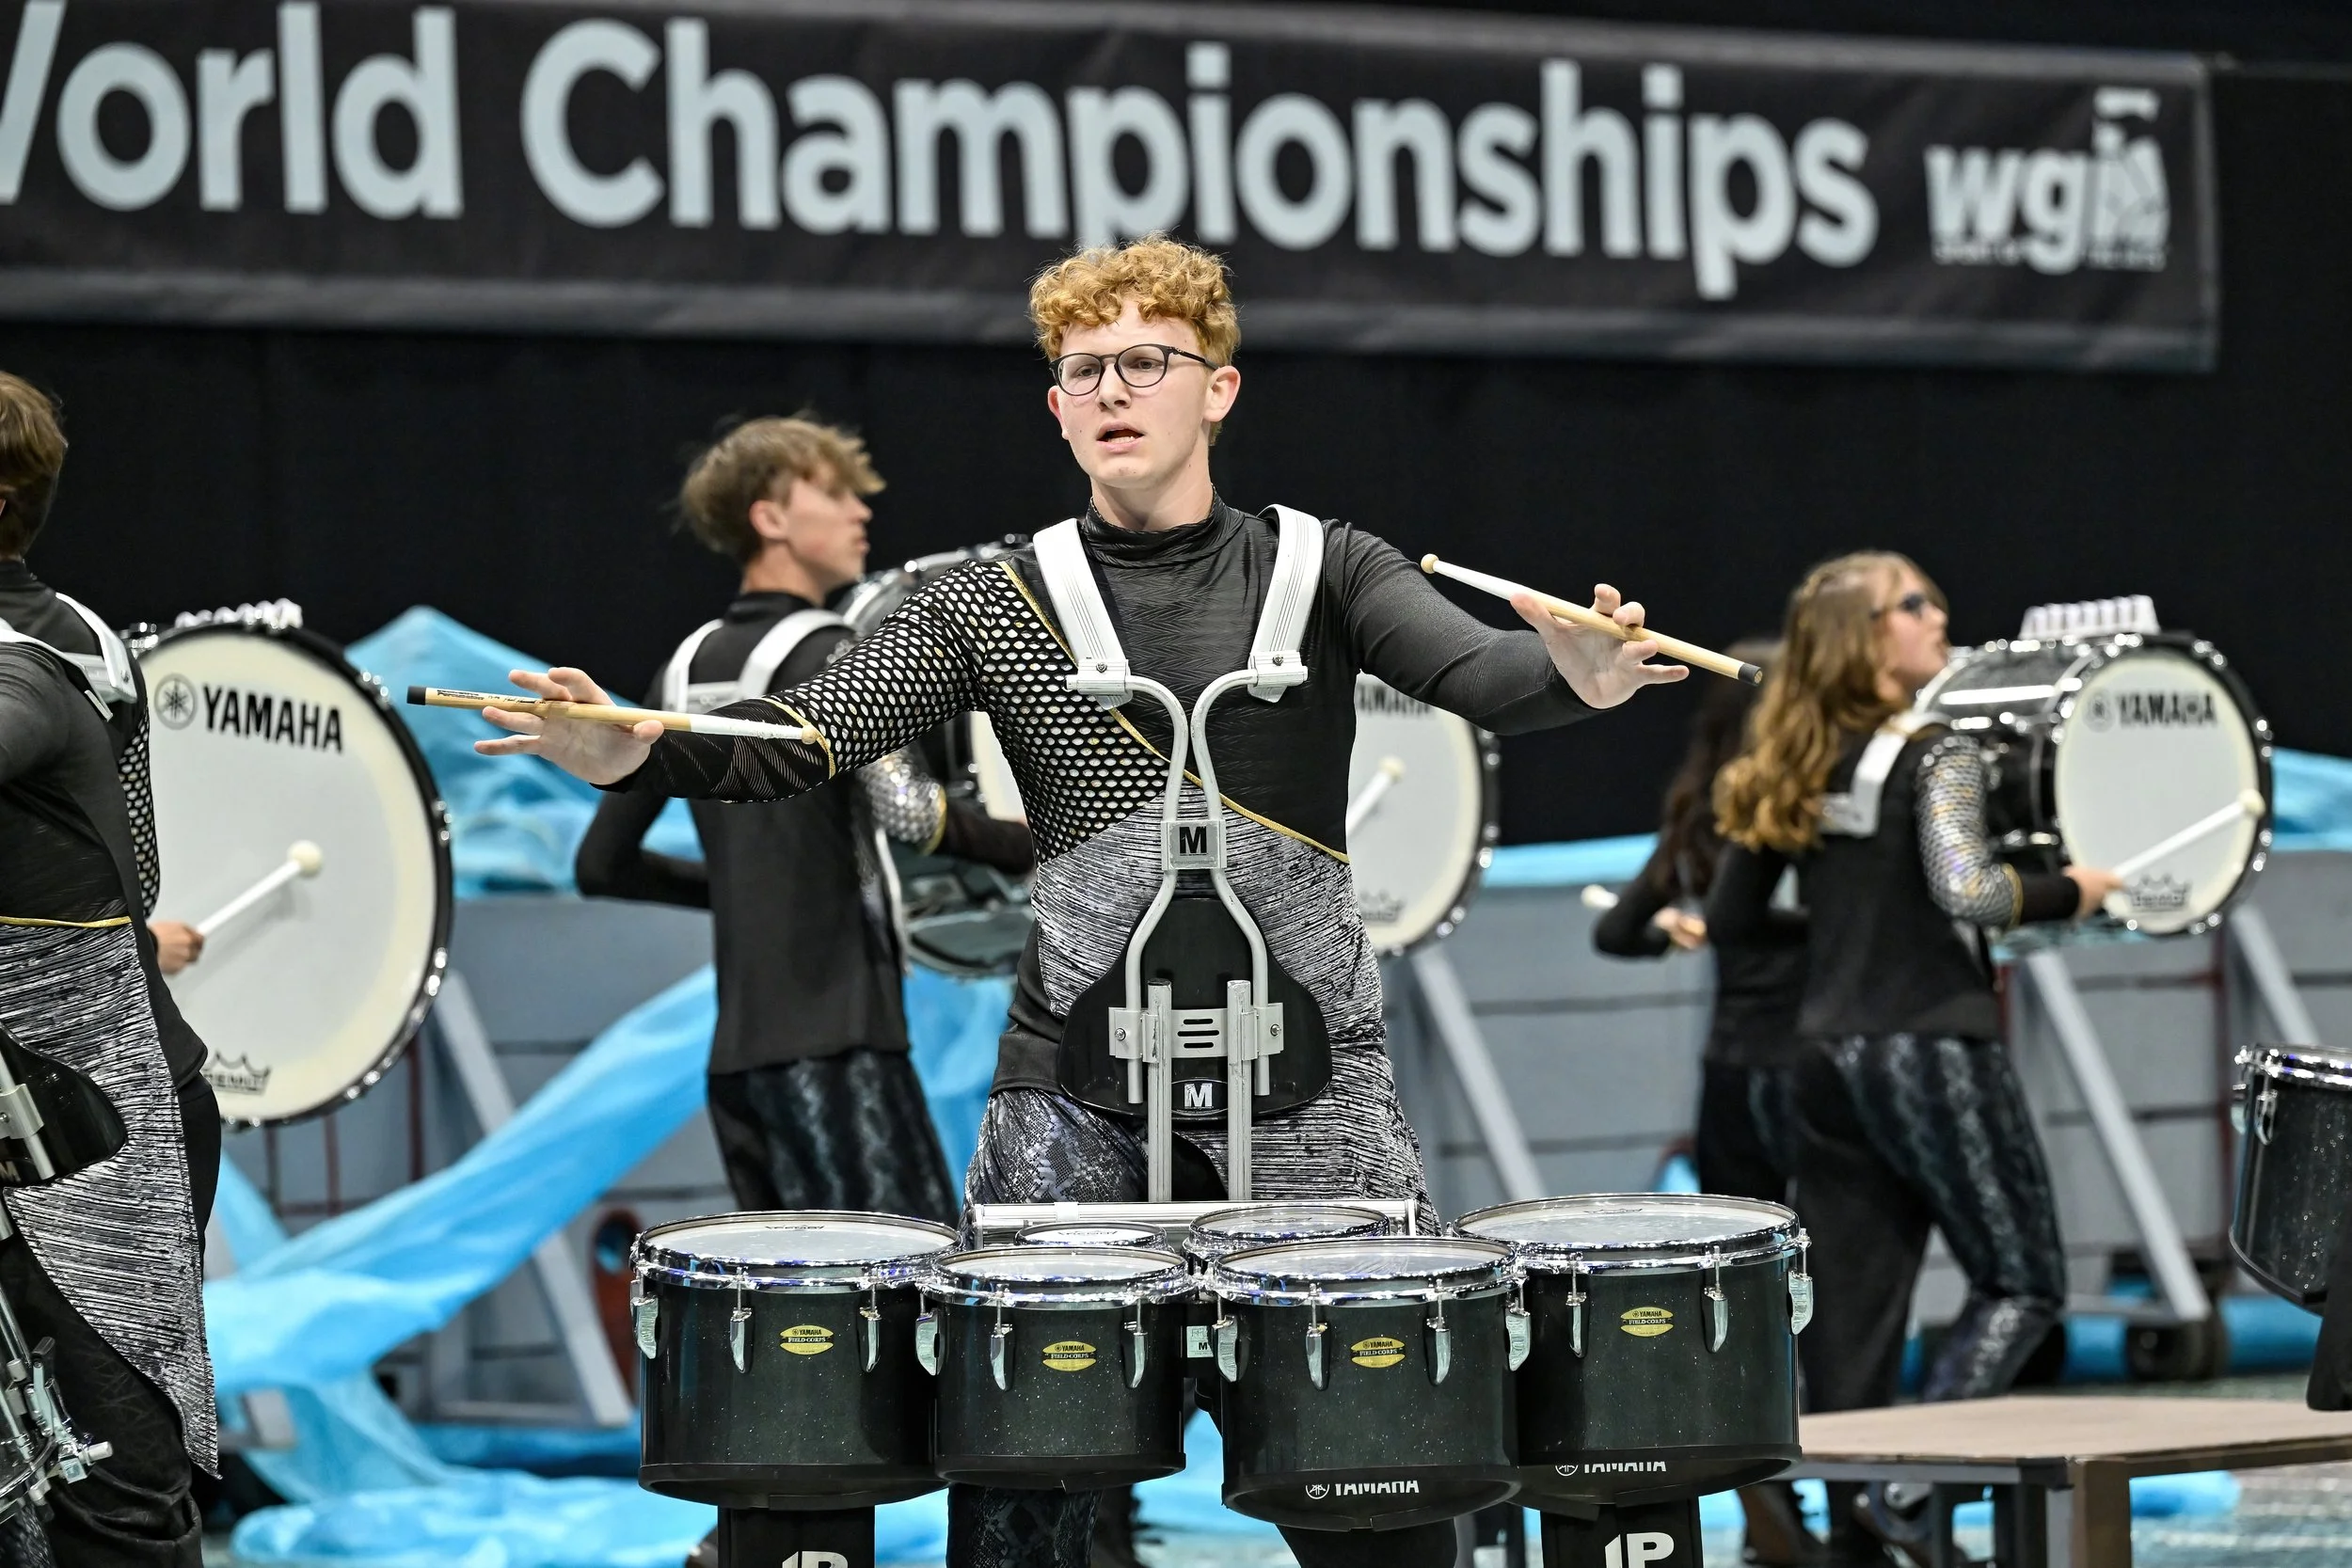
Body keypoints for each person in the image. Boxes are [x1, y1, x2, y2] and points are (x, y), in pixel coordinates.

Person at [472, 234, 1685, 1568]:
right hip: (1071, 1091)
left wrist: (1578, 676)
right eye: (1084, 369)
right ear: (1056, 407)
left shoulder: (1326, 566)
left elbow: (1482, 672)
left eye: (1147, 361)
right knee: (1029, 1502)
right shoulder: (991, 599)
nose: (1113, 388)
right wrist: (637, 751)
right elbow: (814, 732)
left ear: (1217, 388)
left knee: (1379, 1499)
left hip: (1310, 1087)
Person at [1708, 552, 2119, 1562]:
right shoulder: (1939, 752)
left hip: (1822, 1055)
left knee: (1850, 1312)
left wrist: (1850, 944)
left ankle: (1856, 1519)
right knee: (2022, 1283)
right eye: (1914, 603)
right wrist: (2073, 888)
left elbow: (1732, 917)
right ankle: (1908, 1490)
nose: (1939, 615)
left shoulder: (1796, 761)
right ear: (1865, 635)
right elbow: (1971, 889)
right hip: (1932, 1046)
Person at [577, 416, 1034, 1226]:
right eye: (835, 492)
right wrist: (1042, 846)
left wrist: (749, 895)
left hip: (738, 1065)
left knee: (790, 1296)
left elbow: (600, 866)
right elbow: (909, 810)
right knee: (910, 1280)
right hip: (842, 1044)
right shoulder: (839, 652)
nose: (862, 511)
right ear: (770, 517)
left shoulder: (682, 666)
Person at [0, 371, 218, 1565]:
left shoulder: (35, 656)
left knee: (113, 1498)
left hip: (94, 1127)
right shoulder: (75, 630)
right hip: (53, 1094)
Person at [1593, 639, 1821, 1567]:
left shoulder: (1699, 808)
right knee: (1829, 1292)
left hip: (1729, 1075)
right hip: (1811, 1069)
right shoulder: (1797, 799)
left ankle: (1769, 1500)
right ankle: (1848, 1499)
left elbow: (1617, 931)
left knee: (1752, 1294)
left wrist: (1680, 926)